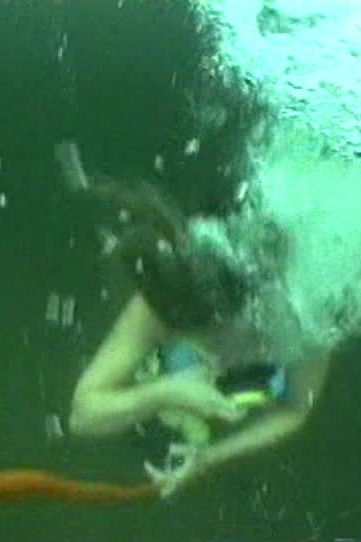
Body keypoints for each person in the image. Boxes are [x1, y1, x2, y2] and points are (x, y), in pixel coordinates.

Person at [55, 143, 331, 497]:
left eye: (224, 339)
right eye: (205, 342)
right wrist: (165, 392)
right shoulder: (168, 300)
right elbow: (82, 415)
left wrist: (209, 458)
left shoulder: (306, 315)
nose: (220, 356)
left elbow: (295, 408)